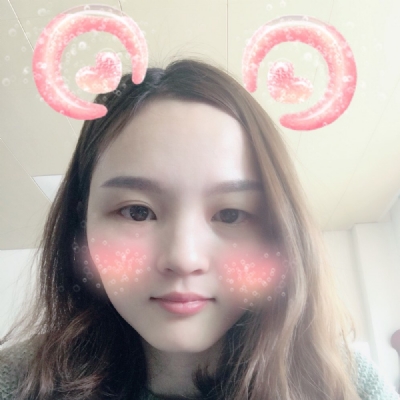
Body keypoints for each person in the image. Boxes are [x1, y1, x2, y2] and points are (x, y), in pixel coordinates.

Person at [0, 59, 398, 400]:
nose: (183, 258)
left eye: (231, 215)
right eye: (137, 212)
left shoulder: (346, 385)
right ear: (81, 226)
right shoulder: (17, 381)